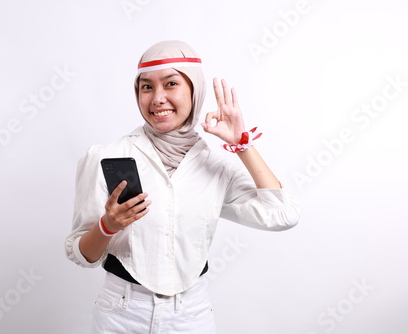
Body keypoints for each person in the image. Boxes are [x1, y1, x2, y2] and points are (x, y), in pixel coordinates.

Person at [65, 40, 301, 333]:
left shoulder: (215, 164)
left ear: (195, 90)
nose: (157, 98)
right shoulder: (105, 156)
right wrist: (107, 226)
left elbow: (283, 214)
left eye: (171, 83)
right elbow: (80, 254)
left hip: (191, 314)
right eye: (146, 87)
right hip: (121, 313)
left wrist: (242, 144)